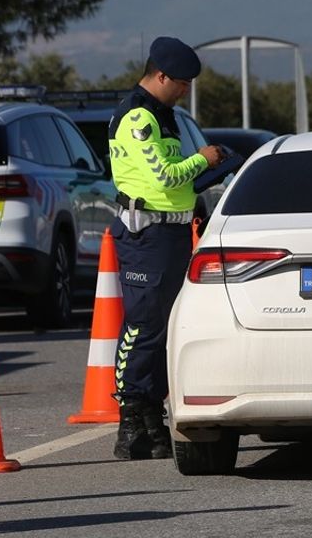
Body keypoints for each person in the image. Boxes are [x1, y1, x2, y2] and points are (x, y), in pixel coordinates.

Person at [107, 36, 223, 460]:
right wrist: (203, 161)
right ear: (160, 75)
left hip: (172, 234)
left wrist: (206, 181)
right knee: (143, 327)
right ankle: (131, 417)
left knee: (166, 329)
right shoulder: (138, 118)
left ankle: (153, 418)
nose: (185, 89)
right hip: (146, 235)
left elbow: (180, 184)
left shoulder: (165, 116)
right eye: (181, 82)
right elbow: (163, 179)